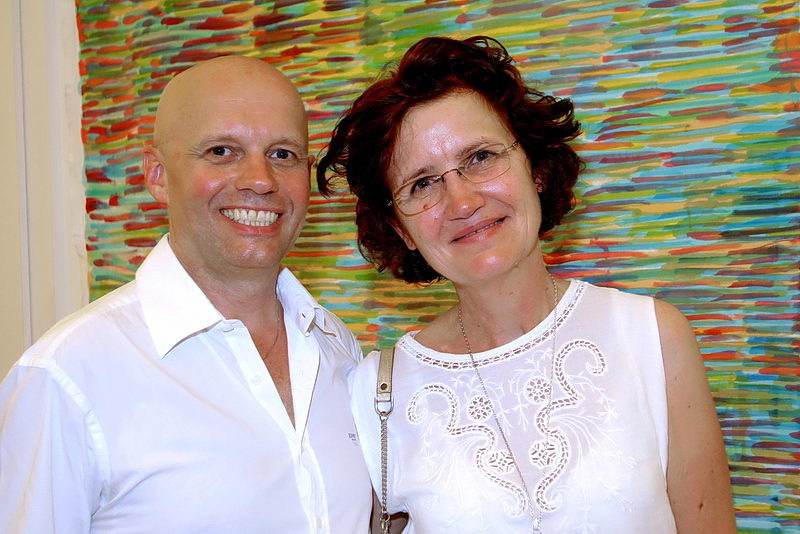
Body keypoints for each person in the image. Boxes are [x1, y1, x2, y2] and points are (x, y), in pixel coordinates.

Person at [316, 36, 736, 533]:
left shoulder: (651, 336)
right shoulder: (374, 394)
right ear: (401, 229)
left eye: (480, 157)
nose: (462, 202)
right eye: (422, 183)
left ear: (535, 168)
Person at [0, 56, 371, 533]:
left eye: (283, 154)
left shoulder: (336, 347)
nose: (261, 179)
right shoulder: (66, 377)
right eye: (222, 151)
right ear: (157, 175)